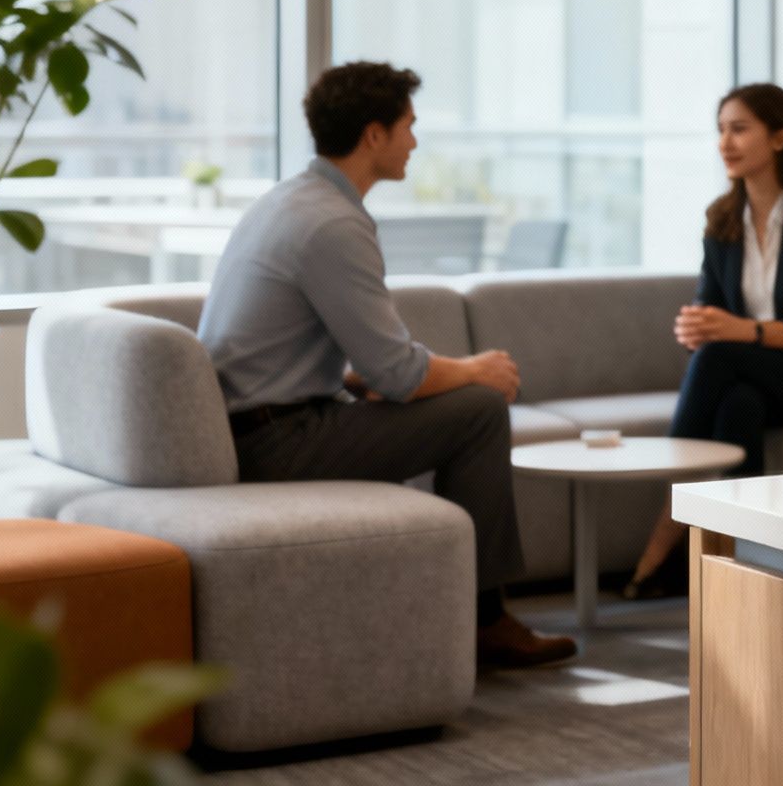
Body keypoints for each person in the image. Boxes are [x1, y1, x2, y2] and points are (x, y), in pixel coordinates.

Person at [196, 62, 577, 669]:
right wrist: (475, 370)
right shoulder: (334, 223)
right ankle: (485, 621)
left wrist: (357, 379)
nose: (415, 142)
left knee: (437, 400)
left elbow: (325, 356)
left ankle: (453, 610)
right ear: (374, 135)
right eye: (408, 126)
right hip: (278, 442)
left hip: (260, 422)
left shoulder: (288, 201)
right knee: (478, 410)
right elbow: (400, 374)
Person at [623, 83, 783, 598]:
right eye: (721, 130)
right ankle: (740, 566)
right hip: (750, 371)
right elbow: (711, 309)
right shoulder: (722, 219)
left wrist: (739, 332)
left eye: (739, 129)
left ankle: (665, 529)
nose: (725, 142)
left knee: (723, 360)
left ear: (780, 137)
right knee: (739, 403)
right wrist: (697, 328)